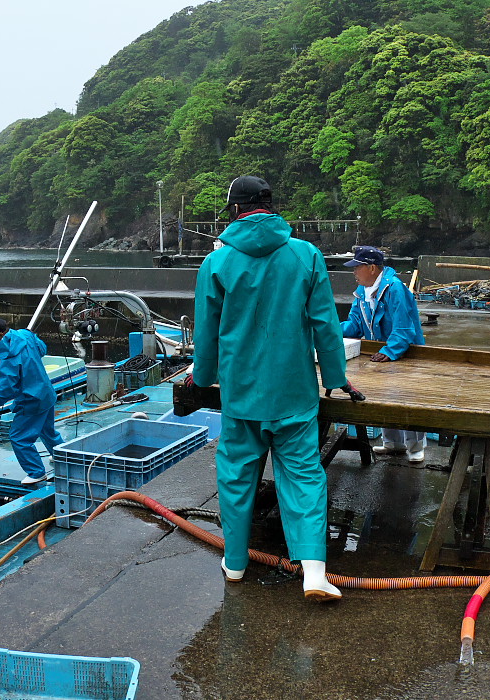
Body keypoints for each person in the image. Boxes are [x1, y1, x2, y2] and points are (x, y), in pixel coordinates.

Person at [192, 175, 363, 602]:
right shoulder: (306, 255)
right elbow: (326, 325)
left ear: (235, 210)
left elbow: (206, 334)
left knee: (235, 476)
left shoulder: (215, 265)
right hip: (295, 392)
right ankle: (314, 573)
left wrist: (201, 377)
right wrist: (338, 378)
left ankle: (234, 563)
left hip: (241, 394)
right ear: (271, 205)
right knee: (304, 476)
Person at [340, 245, 427, 463]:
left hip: (405, 353)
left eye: (356, 268)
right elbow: (355, 324)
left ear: (371, 268)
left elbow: (404, 329)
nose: (353, 272)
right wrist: (330, 330)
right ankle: (393, 444)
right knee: (387, 396)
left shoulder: (395, 288)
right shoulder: (362, 292)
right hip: (383, 354)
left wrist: (389, 351)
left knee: (408, 398)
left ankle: (416, 447)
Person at [0, 318, 63, 485]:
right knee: (48, 431)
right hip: (46, 393)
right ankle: (63, 457)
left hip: (31, 400)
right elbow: (42, 349)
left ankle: (36, 472)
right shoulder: (25, 334)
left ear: (0, 334)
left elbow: (8, 388)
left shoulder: (8, 353)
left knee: (19, 437)